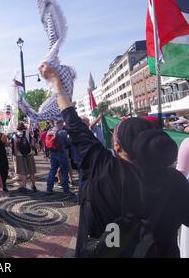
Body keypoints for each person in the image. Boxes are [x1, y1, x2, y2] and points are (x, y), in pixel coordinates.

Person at [40, 62, 189, 258]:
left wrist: (56, 82)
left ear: (117, 146)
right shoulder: (174, 180)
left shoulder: (103, 167)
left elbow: (74, 125)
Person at [45, 120, 71, 195]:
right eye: (63, 122)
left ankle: (49, 189)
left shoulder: (50, 131)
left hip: (52, 153)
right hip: (62, 153)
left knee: (52, 171)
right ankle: (66, 190)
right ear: (61, 123)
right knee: (64, 171)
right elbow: (67, 143)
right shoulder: (63, 132)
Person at [11, 122, 37, 193]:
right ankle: (33, 186)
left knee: (23, 172)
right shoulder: (27, 133)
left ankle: (24, 187)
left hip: (20, 155)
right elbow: (32, 143)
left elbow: (15, 148)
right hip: (29, 154)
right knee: (32, 171)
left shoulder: (14, 136)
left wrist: (16, 156)